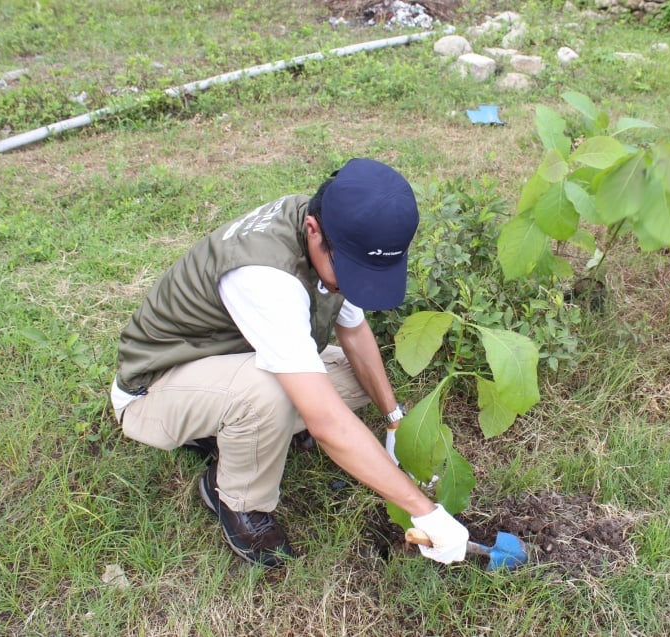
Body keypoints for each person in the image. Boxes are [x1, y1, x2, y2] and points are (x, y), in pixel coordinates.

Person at [109, 158, 469, 567]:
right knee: (269, 393)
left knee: (353, 378)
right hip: (156, 389)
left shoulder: (334, 224)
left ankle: (241, 432)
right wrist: (424, 510)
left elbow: (353, 331)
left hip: (230, 360)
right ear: (313, 232)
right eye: (350, 273)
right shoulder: (266, 276)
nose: (351, 285)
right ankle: (235, 499)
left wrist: (393, 420)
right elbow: (328, 424)